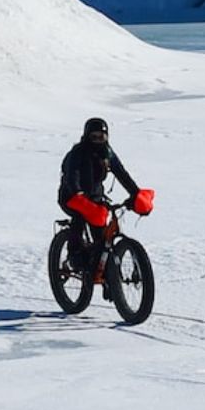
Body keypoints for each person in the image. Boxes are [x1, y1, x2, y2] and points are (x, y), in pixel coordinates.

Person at [58, 116, 138, 287]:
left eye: (102, 137)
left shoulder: (107, 153)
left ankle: (104, 275)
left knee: (101, 236)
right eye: (94, 137)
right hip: (71, 197)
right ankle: (74, 257)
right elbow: (72, 176)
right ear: (87, 136)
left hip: (95, 197)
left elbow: (121, 173)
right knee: (80, 218)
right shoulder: (77, 153)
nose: (98, 141)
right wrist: (78, 194)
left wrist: (135, 193)